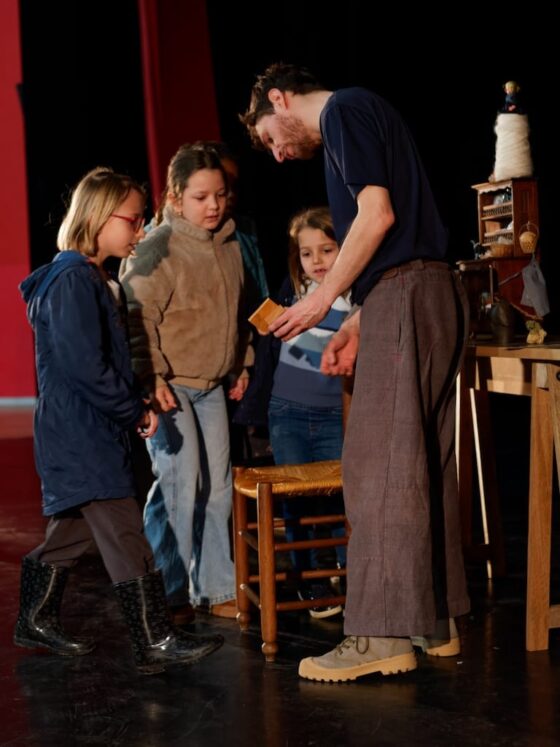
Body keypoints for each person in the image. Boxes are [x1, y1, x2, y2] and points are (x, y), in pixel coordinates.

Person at [241, 63, 470, 681]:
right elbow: (400, 240)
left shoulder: (343, 110)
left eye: (270, 137)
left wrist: (323, 300)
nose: (278, 153)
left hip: (407, 294)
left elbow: (378, 216)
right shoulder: (365, 113)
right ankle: (433, 621)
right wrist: (358, 321)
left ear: (280, 99)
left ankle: (379, 634)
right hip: (425, 291)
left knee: (376, 468)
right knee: (421, 460)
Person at [15, 167, 223, 675]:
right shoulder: (71, 280)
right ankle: (154, 640)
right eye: (133, 219)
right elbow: (85, 366)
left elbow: (100, 361)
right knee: (125, 529)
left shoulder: (93, 279)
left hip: (85, 428)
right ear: (100, 217)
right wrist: (132, 409)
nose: (141, 229)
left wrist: (132, 401)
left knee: (74, 529)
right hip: (79, 432)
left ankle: (35, 617)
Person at [119, 144, 253, 622]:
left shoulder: (230, 241)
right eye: (200, 197)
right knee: (179, 486)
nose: (213, 205)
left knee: (217, 488)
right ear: (175, 198)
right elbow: (137, 318)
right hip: (169, 385)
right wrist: (150, 376)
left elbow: (236, 311)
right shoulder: (159, 246)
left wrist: (241, 363)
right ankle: (167, 589)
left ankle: (215, 587)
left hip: (211, 386)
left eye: (220, 195)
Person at [237, 206, 350, 617]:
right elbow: (268, 344)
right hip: (288, 414)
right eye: (306, 253)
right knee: (296, 501)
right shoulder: (292, 292)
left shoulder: (356, 298)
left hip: (335, 415)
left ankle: (347, 571)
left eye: (327, 249)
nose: (316, 260)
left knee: (340, 497)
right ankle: (308, 577)